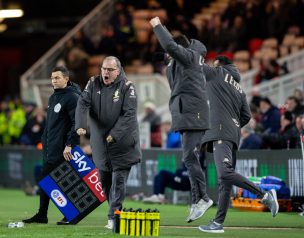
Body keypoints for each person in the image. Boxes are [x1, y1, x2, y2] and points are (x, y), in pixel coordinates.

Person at [198, 56, 279, 233]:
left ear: (220, 66)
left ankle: (264, 194)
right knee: (224, 182)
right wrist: (233, 126)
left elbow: (193, 61)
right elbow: (247, 116)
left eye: (215, 64)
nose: (212, 66)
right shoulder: (239, 89)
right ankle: (218, 223)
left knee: (225, 173)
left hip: (221, 131)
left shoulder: (217, 73)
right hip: (233, 135)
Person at [150, 16, 213, 223]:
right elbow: (175, 86)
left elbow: (169, 44)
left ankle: (203, 198)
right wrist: (170, 63)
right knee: (189, 158)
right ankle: (197, 200)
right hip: (186, 114)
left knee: (189, 158)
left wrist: (158, 26)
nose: (168, 54)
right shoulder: (177, 64)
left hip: (193, 113)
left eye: (171, 52)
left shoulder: (190, 57)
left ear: (179, 49)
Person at [75, 56, 141, 230]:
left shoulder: (127, 87)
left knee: (119, 181)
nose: (105, 72)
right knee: (105, 182)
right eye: (103, 68)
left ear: (117, 71)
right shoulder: (93, 83)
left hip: (123, 144)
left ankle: (113, 216)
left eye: (110, 70)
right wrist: (81, 125)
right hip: (101, 145)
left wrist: (115, 134)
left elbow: (129, 115)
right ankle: (117, 214)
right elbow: (82, 103)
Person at [22, 66, 81, 225]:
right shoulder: (54, 97)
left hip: (63, 149)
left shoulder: (73, 97)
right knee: (46, 181)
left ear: (66, 79)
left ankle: (71, 215)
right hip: (51, 148)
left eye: (57, 78)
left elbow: (77, 123)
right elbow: (52, 125)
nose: (53, 81)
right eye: (52, 78)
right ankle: (42, 215)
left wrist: (69, 144)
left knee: (64, 181)